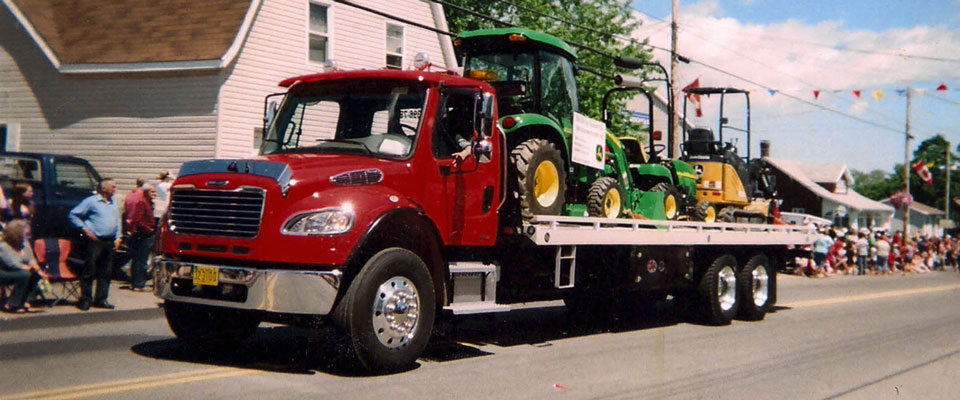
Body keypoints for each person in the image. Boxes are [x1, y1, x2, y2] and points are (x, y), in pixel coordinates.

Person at [69, 178, 122, 311]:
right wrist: (85, 229)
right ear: (104, 189)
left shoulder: (113, 203)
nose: (115, 189)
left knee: (106, 272)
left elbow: (118, 221)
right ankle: (85, 299)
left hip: (109, 241)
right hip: (95, 241)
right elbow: (73, 214)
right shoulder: (91, 201)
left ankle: (101, 299)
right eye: (113, 187)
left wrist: (118, 237)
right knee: (89, 270)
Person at [0, 220, 47, 313]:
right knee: (25, 274)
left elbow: (31, 259)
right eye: (26, 233)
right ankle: (12, 305)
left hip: (18, 271)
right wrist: (30, 268)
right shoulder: (3, 246)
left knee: (35, 274)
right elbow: (13, 264)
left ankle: (24, 301)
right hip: (4, 272)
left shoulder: (25, 244)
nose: (28, 236)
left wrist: (38, 270)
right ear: (16, 233)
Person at [124, 183, 155, 291]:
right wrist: (149, 229)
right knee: (141, 260)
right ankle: (138, 284)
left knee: (139, 259)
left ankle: (136, 283)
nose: (155, 193)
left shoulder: (149, 202)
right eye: (152, 191)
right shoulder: (142, 202)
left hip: (144, 233)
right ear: (146, 192)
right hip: (143, 234)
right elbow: (138, 220)